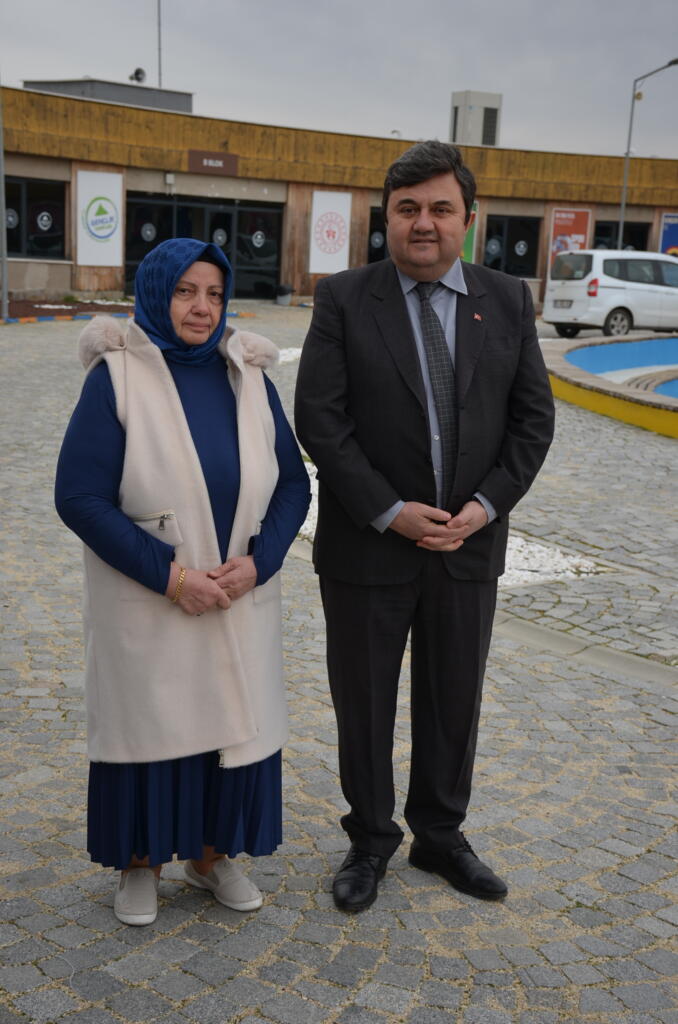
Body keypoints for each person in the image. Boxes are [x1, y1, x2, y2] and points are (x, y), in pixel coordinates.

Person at [294, 141, 555, 913]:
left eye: (441, 208)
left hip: (468, 546)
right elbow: (320, 419)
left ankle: (440, 836)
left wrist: (485, 507)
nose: (424, 223)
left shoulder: (506, 300)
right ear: (387, 217)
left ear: (467, 219)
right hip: (368, 546)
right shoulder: (345, 298)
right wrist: (390, 511)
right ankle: (371, 839)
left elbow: (532, 420)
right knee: (365, 702)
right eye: (408, 208)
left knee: (453, 700)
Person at [55, 238, 310, 925]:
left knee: (231, 726)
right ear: (155, 293)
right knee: (151, 725)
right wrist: (171, 579)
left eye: (215, 294)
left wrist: (262, 560)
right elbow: (79, 497)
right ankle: (139, 864)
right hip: (152, 598)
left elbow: (293, 484)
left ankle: (210, 855)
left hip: (236, 594)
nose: (202, 308)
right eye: (185, 292)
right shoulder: (117, 377)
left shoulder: (249, 377)